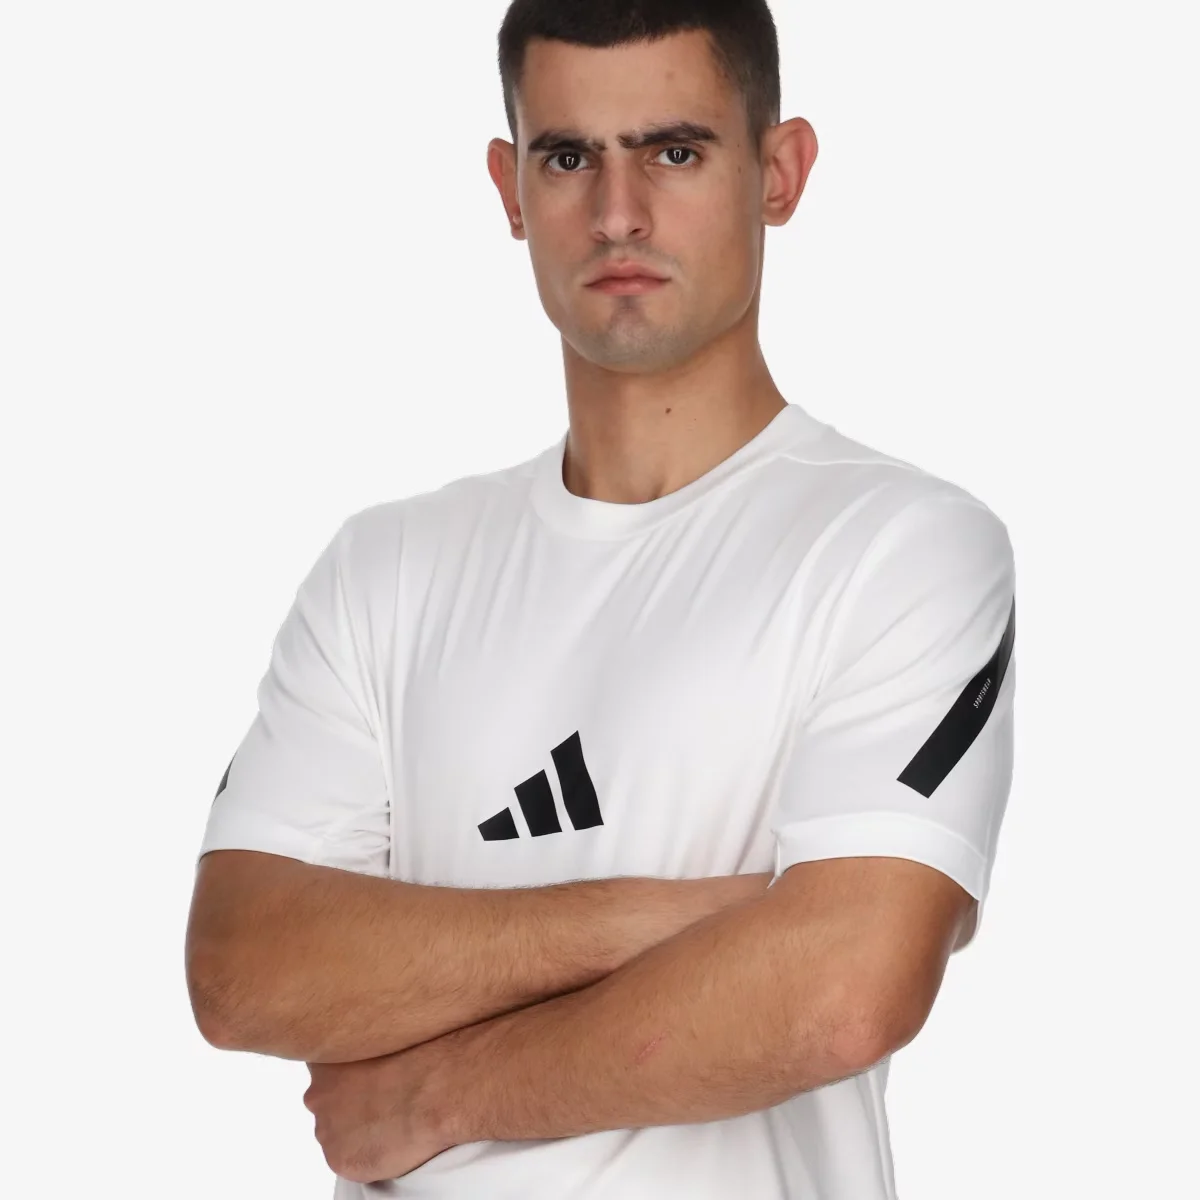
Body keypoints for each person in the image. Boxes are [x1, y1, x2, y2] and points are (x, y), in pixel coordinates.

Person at [185, 1, 1017, 1196]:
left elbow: (841, 991)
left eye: (674, 151)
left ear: (779, 173)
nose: (618, 212)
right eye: (569, 157)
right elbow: (241, 967)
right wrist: (670, 919)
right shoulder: (386, 569)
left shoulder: (898, 546)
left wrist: (437, 1094)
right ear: (510, 188)